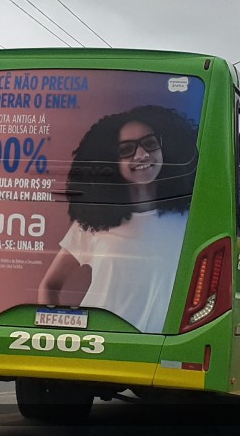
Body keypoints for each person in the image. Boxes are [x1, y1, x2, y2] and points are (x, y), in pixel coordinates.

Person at [38, 105, 198, 333]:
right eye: (127, 149)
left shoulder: (187, 220)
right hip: (97, 347)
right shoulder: (93, 223)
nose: (141, 154)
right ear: (111, 160)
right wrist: (55, 334)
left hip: (156, 350)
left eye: (150, 143)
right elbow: (50, 285)